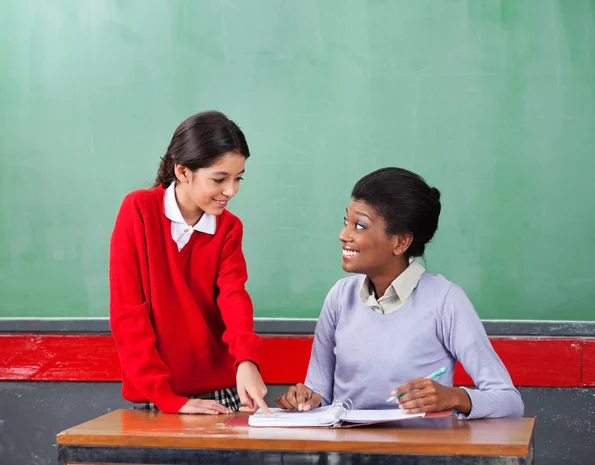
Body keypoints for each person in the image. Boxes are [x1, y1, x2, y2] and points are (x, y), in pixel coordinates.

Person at [275, 168, 523, 419]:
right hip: (347, 453)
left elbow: (509, 400)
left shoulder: (445, 300)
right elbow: (320, 394)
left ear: (401, 242)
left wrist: (454, 397)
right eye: (345, 222)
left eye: (359, 225)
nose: (343, 235)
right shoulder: (340, 297)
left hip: (418, 454)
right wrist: (306, 399)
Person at [110, 111, 270, 415]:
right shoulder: (139, 212)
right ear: (183, 172)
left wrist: (246, 361)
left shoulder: (228, 228)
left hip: (222, 394)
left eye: (238, 178)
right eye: (220, 179)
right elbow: (127, 313)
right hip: (157, 395)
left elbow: (234, 296)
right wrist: (168, 398)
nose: (231, 191)